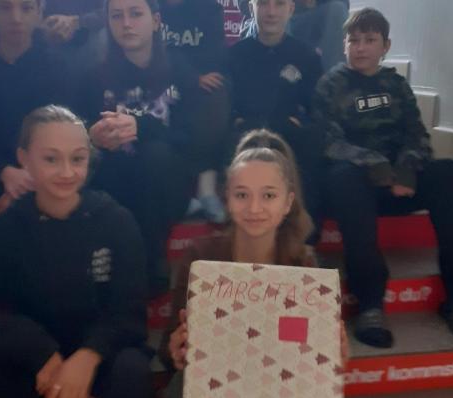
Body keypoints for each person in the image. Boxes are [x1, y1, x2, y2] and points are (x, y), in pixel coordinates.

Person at [0, 105, 153, 398]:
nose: (67, 172)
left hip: (97, 354)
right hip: (34, 360)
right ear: (24, 159)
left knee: (133, 370)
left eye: (77, 159)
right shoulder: (7, 228)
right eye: (51, 159)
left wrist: (88, 356)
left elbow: (129, 316)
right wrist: (39, 351)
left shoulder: (116, 221)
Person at [313, 7, 453, 348]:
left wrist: (406, 169)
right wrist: (375, 165)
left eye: (369, 40)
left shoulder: (396, 85)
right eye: (354, 40)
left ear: (386, 46)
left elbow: (417, 135)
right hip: (356, 185)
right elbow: (327, 141)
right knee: (343, 178)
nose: (360, 47)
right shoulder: (330, 84)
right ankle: (370, 305)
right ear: (344, 45)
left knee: (450, 173)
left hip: (399, 183)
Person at [160, 129, 343, 398]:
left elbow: (307, 351)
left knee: (292, 391)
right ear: (227, 199)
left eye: (268, 196)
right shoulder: (202, 256)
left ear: (288, 203)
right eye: (242, 195)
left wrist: (329, 350)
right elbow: (167, 349)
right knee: (186, 381)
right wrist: (176, 350)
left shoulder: (302, 264)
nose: (254, 207)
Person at [77, 0, 204, 294]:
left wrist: (141, 127)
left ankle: (151, 264)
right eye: (117, 16)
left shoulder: (180, 69)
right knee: (112, 164)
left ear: (156, 20)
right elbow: (74, 130)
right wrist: (91, 136)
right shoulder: (93, 77)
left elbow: (191, 138)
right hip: (117, 182)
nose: (126, 24)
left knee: (154, 155)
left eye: (135, 13)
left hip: (166, 183)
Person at [0, 0, 66, 223]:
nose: (16, 18)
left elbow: (64, 133)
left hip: (49, 175)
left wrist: (30, 182)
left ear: (39, 13)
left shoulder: (60, 68)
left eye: (26, 8)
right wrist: (5, 172)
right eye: (5, 8)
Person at [228, 0, 324, 231]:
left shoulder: (307, 56)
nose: (271, 11)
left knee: (312, 143)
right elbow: (225, 106)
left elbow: (317, 108)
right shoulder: (234, 55)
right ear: (252, 7)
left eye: (279, 4)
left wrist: (301, 122)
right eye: (263, 3)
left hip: (290, 134)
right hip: (245, 134)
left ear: (291, 9)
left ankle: (306, 239)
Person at [159, 0, 231, 222]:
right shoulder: (148, 6)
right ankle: (177, 195)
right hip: (158, 80)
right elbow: (151, 52)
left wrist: (192, 80)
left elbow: (213, 57)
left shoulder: (209, 8)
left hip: (197, 83)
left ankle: (206, 190)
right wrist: (188, 77)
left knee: (217, 93)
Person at [288, 0, 349, 71]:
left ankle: (338, 75)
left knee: (338, 9)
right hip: (292, 15)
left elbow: (344, 3)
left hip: (325, 11)